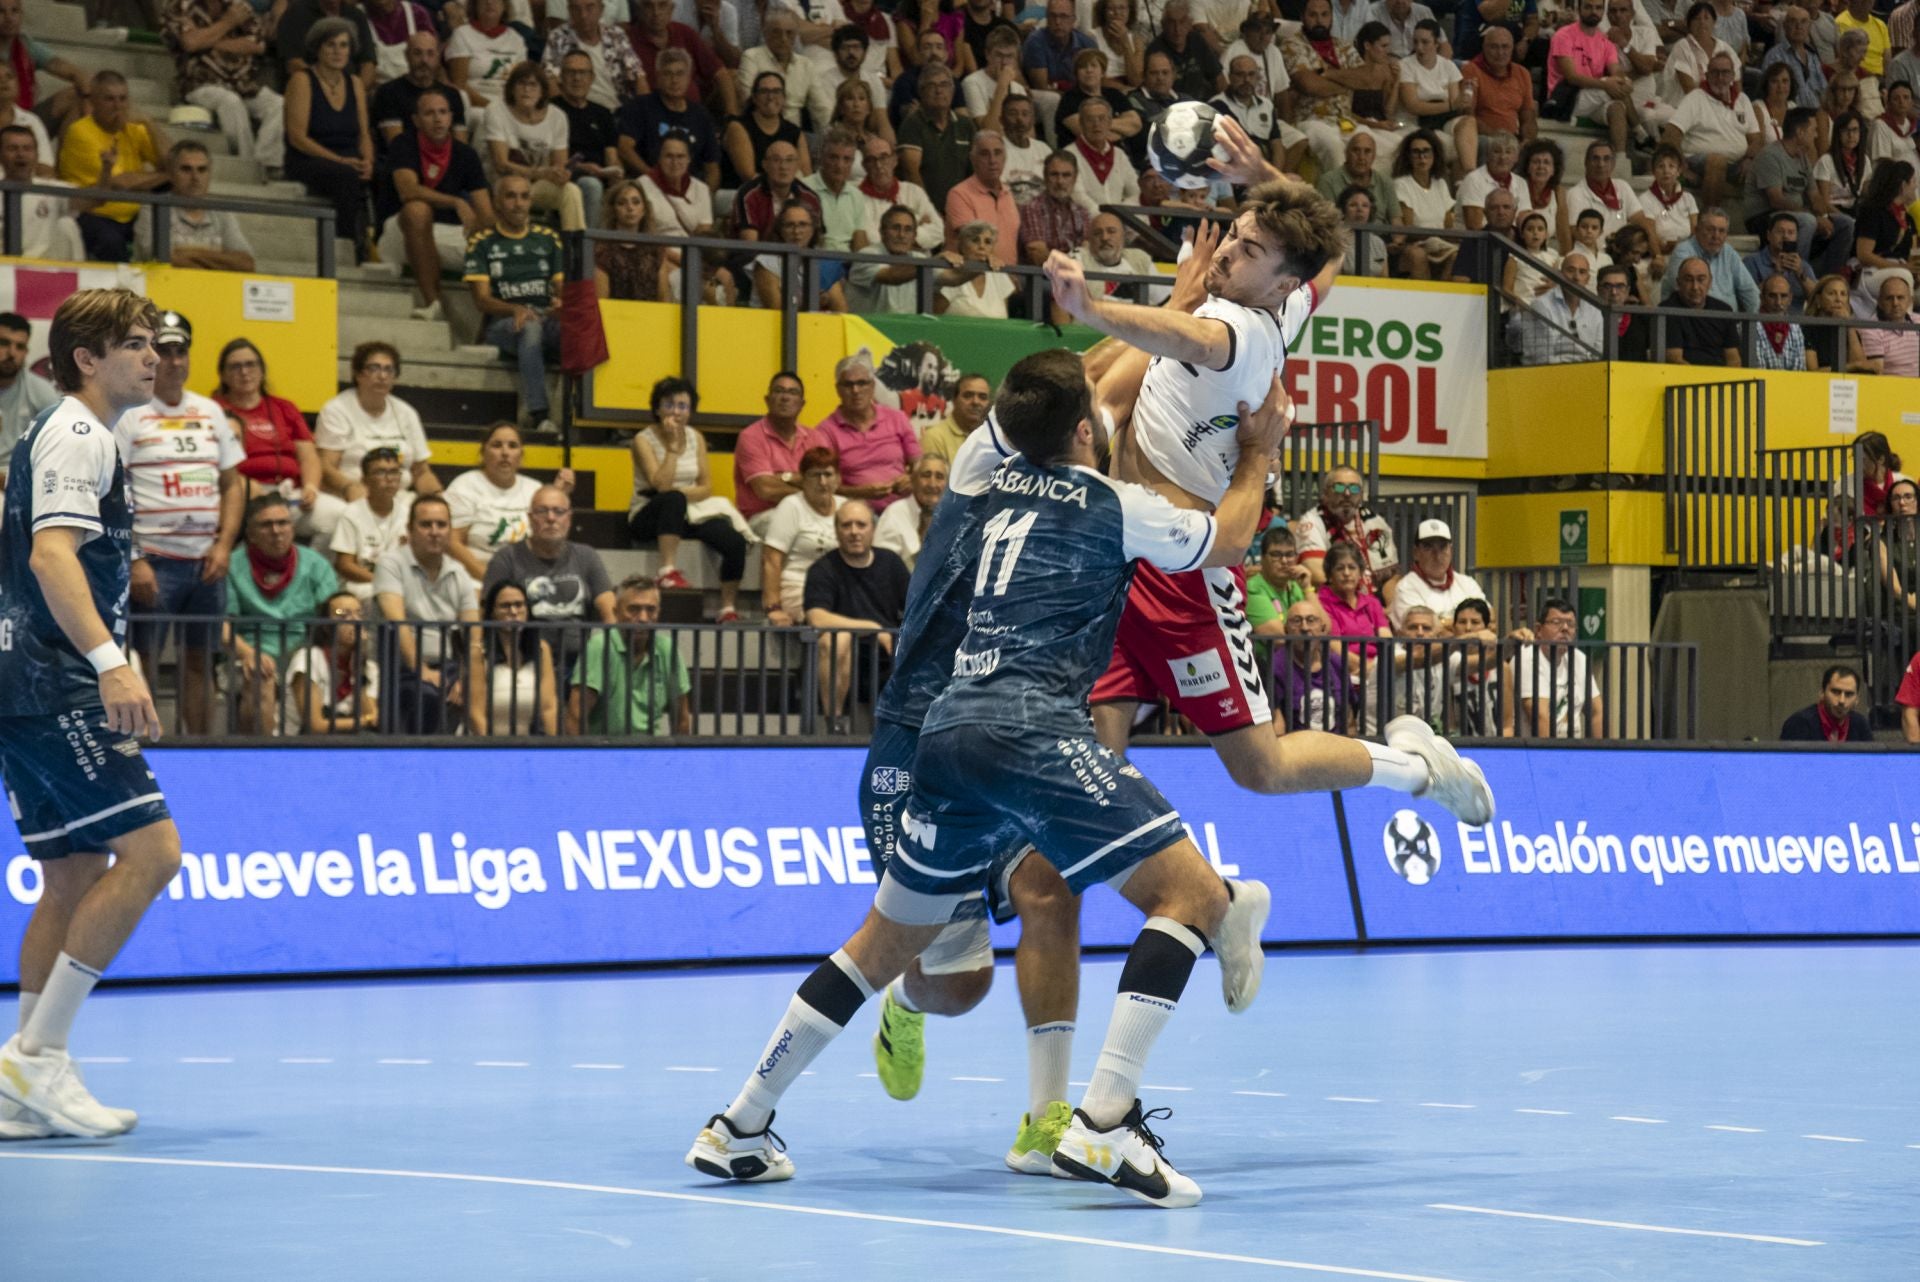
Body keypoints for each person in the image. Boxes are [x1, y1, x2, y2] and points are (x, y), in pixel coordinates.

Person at [685, 348, 1290, 1206]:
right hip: (1030, 726)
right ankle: (1107, 1124)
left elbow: (1062, 396)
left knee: (881, 947)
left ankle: (737, 1126)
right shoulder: (1116, 504)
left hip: (949, 731)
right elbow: (1230, 538)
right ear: (1086, 431)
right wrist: (1259, 452)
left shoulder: (984, 484)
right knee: (1194, 895)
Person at [1050, 131, 1492, 824]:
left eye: (1248, 250)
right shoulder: (1284, 298)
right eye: (1233, 235)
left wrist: (1093, 310)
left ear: (1278, 283)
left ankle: (1416, 771)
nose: (1225, 251)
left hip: (1186, 579)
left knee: (1262, 767)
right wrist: (1266, 177)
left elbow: (1185, 337)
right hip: (1117, 563)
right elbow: (1333, 253)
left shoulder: (1241, 329)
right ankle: (1201, 906)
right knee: (1092, 764)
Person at [0, 290, 178, 1143]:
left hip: (23, 682)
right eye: (136, 345)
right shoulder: (77, 433)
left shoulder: (62, 435)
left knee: (71, 874)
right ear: (86, 358)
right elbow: (49, 555)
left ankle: (19, 1083)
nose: (155, 357)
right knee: (153, 852)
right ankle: (40, 1055)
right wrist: (110, 662)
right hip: (57, 681)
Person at [112, 310, 245, 739]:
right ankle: (145, 748)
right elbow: (113, 490)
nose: (173, 360)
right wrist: (134, 559)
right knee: (142, 658)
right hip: (154, 560)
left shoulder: (211, 412)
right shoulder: (131, 413)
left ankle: (199, 749)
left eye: (180, 351)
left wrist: (224, 544)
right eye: (164, 351)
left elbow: (233, 483)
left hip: (207, 561)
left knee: (199, 662)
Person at [627, 376, 751, 618]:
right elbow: (660, 485)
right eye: (669, 405)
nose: (676, 412)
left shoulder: (696, 437)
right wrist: (672, 448)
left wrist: (681, 494)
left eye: (683, 406)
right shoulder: (643, 439)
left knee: (733, 541)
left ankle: (727, 607)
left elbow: (706, 487)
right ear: (657, 408)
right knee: (672, 498)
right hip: (648, 512)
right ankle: (666, 570)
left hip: (688, 511)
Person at [214, 338, 345, 547]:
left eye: (250, 364)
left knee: (338, 515)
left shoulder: (284, 408)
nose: (244, 372)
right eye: (235, 366)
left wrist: (311, 487)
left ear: (262, 370)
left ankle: (309, 573)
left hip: (289, 494)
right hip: (241, 495)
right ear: (223, 374)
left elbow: (308, 456)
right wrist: (244, 485)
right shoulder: (212, 410)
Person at [227, 492, 342, 731]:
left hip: (305, 652)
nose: (276, 531)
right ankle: (265, 759)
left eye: (283, 523)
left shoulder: (315, 564)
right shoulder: (231, 565)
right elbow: (221, 625)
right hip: (251, 651)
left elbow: (331, 618)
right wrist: (249, 653)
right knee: (261, 678)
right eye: (266, 524)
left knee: (306, 670)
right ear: (250, 533)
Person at [381, 88, 493, 323]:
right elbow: (408, 191)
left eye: (443, 112)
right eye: (430, 113)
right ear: (416, 120)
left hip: (447, 231)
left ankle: (487, 328)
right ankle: (434, 302)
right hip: (399, 230)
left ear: (451, 118)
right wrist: (456, 201)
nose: (438, 118)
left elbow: (485, 211)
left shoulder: (466, 154)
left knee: (493, 239)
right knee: (417, 210)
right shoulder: (404, 143)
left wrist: (483, 232)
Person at [465, 175, 565, 435]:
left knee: (582, 331)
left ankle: (580, 415)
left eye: (524, 196)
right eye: (510, 196)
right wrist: (514, 309)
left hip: (546, 318)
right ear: (497, 202)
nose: (518, 203)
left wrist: (562, 305)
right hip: (505, 324)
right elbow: (481, 300)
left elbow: (561, 288)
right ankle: (539, 415)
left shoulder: (548, 238)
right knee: (530, 327)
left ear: (531, 201)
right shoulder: (482, 242)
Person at [374, 493, 481, 733]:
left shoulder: (459, 572)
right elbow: (398, 623)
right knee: (429, 694)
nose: (435, 531)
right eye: (426, 524)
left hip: (449, 667)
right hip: (401, 669)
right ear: (410, 530)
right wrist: (421, 669)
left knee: (475, 693)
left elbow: (473, 636)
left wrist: (467, 679)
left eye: (441, 525)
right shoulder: (390, 564)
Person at [803, 499, 909, 731]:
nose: (854, 532)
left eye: (861, 525)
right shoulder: (823, 569)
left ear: (873, 529)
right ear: (836, 530)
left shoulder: (891, 563)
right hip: (841, 662)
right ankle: (835, 725)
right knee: (838, 638)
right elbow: (817, 618)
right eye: (846, 525)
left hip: (886, 659)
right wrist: (872, 627)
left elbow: (914, 607)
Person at [283, 19, 374, 263]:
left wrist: (368, 161)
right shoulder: (302, 80)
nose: (337, 51)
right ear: (318, 48)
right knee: (345, 176)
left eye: (343, 45)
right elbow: (297, 137)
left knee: (387, 175)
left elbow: (364, 133)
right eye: (331, 45)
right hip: (308, 158)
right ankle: (345, 246)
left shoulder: (355, 83)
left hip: (348, 157)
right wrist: (341, 160)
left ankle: (380, 247)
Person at [163, 0, 285, 175]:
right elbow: (189, 43)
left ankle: (265, 163)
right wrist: (228, 23)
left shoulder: (240, 7)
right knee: (230, 101)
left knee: (278, 104)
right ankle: (246, 166)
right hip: (200, 83)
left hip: (243, 84)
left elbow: (257, 44)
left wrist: (206, 40)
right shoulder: (180, 6)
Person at [56, 71, 166, 263]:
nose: (118, 106)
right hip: (91, 211)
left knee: (165, 232)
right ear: (94, 102)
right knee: (111, 242)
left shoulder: (135, 128)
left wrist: (150, 123)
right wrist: (164, 175)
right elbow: (118, 184)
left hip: (133, 216)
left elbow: (175, 163)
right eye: (110, 99)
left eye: (123, 99)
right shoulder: (80, 131)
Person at [568, 573, 692, 735]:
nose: (643, 618)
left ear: (659, 612)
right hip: (606, 753)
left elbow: (681, 720)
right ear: (616, 612)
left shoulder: (668, 650)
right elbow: (576, 716)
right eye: (634, 609)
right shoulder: (599, 647)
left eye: (650, 610)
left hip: (651, 753)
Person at [314, 341, 438, 502]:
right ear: (358, 374)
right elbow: (326, 467)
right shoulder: (336, 410)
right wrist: (350, 488)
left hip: (398, 496)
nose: (382, 376)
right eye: (374, 368)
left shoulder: (406, 412)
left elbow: (421, 472)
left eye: (389, 369)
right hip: (349, 496)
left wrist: (438, 497)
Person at [482, 484, 616, 631]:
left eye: (559, 511)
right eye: (542, 511)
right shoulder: (506, 558)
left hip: (580, 652)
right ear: (530, 518)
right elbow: (489, 614)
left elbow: (610, 611)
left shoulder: (587, 556)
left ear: (569, 518)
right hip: (526, 651)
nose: (551, 518)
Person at [445, 421, 571, 576]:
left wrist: (558, 496)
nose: (505, 452)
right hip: (476, 575)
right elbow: (452, 542)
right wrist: (489, 578)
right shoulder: (464, 486)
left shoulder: (534, 489)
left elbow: (550, 541)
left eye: (512, 446)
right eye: (497, 445)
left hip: (528, 575)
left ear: (521, 455)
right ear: (483, 453)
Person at [485, 60, 589, 232]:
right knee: (517, 190)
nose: (527, 90)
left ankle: (575, 249)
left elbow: (558, 165)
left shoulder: (558, 117)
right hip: (504, 182)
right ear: (511, 88)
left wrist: (560, 174)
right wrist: (539, 172)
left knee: (571, 191)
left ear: (542, 91)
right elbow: (501, 164)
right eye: (521, 84)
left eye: (533, 85)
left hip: (538, 185)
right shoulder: (496, 110)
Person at [815, 353, 920, 510]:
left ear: (872, 386)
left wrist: (911, 478)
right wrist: (860, 493)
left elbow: (918, 463)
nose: (855, 390)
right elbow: (822, 485)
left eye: (862, 383)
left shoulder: (896, 418)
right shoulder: (825, 431)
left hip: (904, 507)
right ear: (838, 390)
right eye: (848, 385)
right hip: (855, 510)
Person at [1662, 52, 1764, 213]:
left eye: (1725, 73)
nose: (1720, 77)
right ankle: (1710, 218)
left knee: (1772, 164)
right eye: (1715, 72)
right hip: (1698, 162)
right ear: (1707, 75)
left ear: (1732, 76)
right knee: (1717, 160)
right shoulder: (1696, 98)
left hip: (1737, 164)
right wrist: (1682, 166)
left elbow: (1757, 139)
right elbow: (1671, 133)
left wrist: (1750, 158)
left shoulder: (1742, 100)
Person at [134, 140, 256, 271]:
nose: (195, 177)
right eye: (186, 169)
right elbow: (160, 259)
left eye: (202, 169)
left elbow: (246, 263)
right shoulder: (154, 208)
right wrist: (218, 259)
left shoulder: (222, 212)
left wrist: (191, 254)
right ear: (170, 174)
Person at [761, 446, 844, 624]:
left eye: (828, 474)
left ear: (838, 478)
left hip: (840, 588)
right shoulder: (791, 506)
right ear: (803, 480)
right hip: (799, 587)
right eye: (815, 475)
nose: (822, 482)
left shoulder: (847, 508)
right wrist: (773, 608)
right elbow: (771, 559)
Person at [279, 589, 380, 735]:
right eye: (343, 615)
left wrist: (358, 673)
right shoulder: (307, 659)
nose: (355, 621)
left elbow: (371, 716)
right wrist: (363, 721)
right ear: (326, 626)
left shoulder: (369, 667)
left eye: (359, 613)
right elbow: (316, 726)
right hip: (301, 742)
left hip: (346, 738)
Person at [618, 46, 722, 186]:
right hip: (649, 186)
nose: (674, 80)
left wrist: (704, 197)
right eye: (668, 74)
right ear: (658, 77)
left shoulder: (701, 115)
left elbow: (712, 168)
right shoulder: (640, 107)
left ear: (689, 78)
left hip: (692, 189)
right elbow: (624, 148)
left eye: (680, 74)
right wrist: (653, 178)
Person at [467, 578, 559, 735]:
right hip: (487, 746)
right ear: (492, 613)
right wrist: (489, 750)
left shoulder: (542, 649)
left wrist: (551, 750)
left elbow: (549, 708)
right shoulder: (478, 653)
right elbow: (476, 714)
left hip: (526, 745)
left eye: (519, 605)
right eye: (505, 606)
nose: (514, 612)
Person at [1292, 465, 1399, 595]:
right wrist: (1359, 596)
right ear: (1325, 494)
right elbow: (1318, 575)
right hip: (1333, 601)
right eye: (1339, 487)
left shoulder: (1375, 522)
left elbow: (1390, 575)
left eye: (1354, 488)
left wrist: (1388, 609)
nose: (1347, 494)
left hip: (1372, 602)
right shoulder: (1312, 522)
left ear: (1360, 495)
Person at [733, 370, 816, 532]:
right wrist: (804, 484)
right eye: (779, 391)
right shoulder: (751, 436)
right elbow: (766, 490)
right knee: (795, 527)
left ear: (802, 404)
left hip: (810, 511)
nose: (785, 397)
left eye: (793, 392)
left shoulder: (815, 437)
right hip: (763, 517)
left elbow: (829, 482)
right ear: (767, 400)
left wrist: (781, 478)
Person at [331, 447, 415, 604]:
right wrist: (383, 581)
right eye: (381, 472)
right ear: (365, 480)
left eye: (394, 472)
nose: (389, 478)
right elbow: (344, 565)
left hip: (400, 586)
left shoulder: (409, 514)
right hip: (361, 587)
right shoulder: (352, 513)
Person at [554, 50, 625, 227]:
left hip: (601, 174)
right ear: (561, 76)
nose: (577, 78)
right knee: (591, 185)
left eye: (582, 72)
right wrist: (584, 168)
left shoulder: (603, 114)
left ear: (592, 78)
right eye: (571, 72)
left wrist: (616, 172)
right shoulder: (551, 110)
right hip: (567, 175)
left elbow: (612, 155)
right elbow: (552, 160)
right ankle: (588, 250)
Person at [1515, 597, 1604, 738]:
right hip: (1536, 751)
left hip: (1573, 750)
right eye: (1556, 623)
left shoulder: (1578, 659)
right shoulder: (1527, 657)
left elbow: (1597, 711)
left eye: (1571, 624)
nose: (1565, 629)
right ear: (1538, 629)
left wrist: (1601, 755)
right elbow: (1540, 716)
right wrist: (1552, 758)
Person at [541, 0, 649, 111]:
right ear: (569, 11)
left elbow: (638, 76)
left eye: (590, 7)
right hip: (576, 110)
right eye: (576, 9)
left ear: (601, 10)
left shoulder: (616, 35)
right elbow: (550, 80)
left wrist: (645, 113)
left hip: (617, 110)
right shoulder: (557, 37)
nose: (583, 15)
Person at [899, 64, 976, 207]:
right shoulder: (913, 124)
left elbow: (975, 171)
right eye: (931, 85)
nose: (939, 90)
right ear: (921, 92)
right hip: (925, 208)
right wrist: (929, 209)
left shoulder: (965, 125)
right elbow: (911, 172)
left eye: (944, 85)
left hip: (962, 206)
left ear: (953, 91)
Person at [0, 124, 78, 263]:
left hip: (42, 271)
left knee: (68, 225)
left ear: (37, 155)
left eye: (27, 148)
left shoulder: (51, 188)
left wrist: (106, 170)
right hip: (4, 271)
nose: (21, 154)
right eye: (13, 148)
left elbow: (95, 201)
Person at [1509, 248, 1603, 363]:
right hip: (1548, 373)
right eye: (1570, 270)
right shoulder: (1541, 305)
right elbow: (1540, 357)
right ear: (1559, 275)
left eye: (1582, 272)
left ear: (1587, 279)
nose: (1576, 277)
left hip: (1589, 373)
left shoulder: (1594, 309)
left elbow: (1599, 352)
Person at [753, 200, 851, 311]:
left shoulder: (821, 260)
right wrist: (811, 302)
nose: (796, 231)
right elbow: (777, 310)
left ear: (813, 229)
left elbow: (841, 309)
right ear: (780, 229)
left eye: (803, 224)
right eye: (789, 225)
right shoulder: (766, 261)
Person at [1274, 596, 1353, 733]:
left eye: (1311, 620)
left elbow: (1350, 721)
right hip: (1297, 749)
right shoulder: (1276, 667)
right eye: (1296, 621)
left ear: (1322, 628)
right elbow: (1277, 729)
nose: (1304, 627)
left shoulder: (1336, 663)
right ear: (1286, 629)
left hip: (1337, 747)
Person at [0, 310, 60, 486]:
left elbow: (58, 447)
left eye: (19, 347)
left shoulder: (40, 391)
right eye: (4, 343)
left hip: (20, 478)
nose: (12, 353)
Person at [1661, 206, 1762, 310]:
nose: (1716, 236)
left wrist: (1753, 323)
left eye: (1722, 231)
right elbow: (1692, 295)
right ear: (1696, 230)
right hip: (1692, 317)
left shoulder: (1728, 252)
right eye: (1710, 229)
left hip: (1727, 321)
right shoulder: (1683, 251)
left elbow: (1750, 291)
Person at [726, 70, 809, 187]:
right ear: (754, 98)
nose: (770, 97)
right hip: (746, 193)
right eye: (764, 91)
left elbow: (806, 175)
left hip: (787, 194)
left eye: (776, 91)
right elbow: (748, 175)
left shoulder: (794, 132)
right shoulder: (738, 127)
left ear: (784, 98)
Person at [444, 0, 524, 119]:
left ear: (504, 6)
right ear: (475, 5)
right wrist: (492, 107)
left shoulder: (516, 39)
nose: (489, 2)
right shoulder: (462, 34)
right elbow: (459, 84)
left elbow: (521, 82)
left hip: (509, 105)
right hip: (475, 106)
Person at [1462, 23, 1538, 149]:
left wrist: (1527, 141)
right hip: (1484, 138)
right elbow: (1468, 117)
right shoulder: (1471, 70)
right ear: (1484, 48)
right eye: (1494, 47)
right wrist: (1501, 139)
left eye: (1505, 47)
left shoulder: (1522, 73)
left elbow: (1528, 118)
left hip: (1512, 141)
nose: (1500, 52)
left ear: (1512, 48)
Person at [1245, 523, 1312, 664]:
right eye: (1276, 555)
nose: (1284, 561)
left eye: (1289, 554)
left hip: (1298, 664)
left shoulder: (1297, 586)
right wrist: (1312, 636)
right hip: (1267, 670)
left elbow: (1325, 628)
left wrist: (1307, 588)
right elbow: (1279, 639)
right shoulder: (1253, 588)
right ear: (1262, 558)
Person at [739, 7, 814, 129]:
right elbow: (747, 100)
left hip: (795, 133)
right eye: (776, 32)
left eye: (789, 33)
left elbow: (822, 109)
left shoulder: (806, 65)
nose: (783, 38)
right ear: (765, 33)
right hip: (760, 128)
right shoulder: (752, 57)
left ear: (796, 36)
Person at [1663, 255, 1744, 365]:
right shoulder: (1667, 310)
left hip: (1720, 378)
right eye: (1688, 280)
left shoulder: (1724, 310)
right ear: (1678, 283)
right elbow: (1674, 360)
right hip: (1684, 379)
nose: (1695, 287)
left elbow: (1734, 359)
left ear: (1710, 282)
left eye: (1701, 279)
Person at [873, 454, 948, 567]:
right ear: (912, 480)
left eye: (939, 477)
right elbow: (882, 566)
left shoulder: (954, 516)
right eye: (926, 475)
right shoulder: (894, 514)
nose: (932, 484)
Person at [1778, 663, 1872, 740]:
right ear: (1822, 693)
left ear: (1857, 699)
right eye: (1836, 692)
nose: (1842, 700)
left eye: (1849, 694)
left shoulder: (1860, 724)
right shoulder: (1799, 724)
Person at [1638, 143, 1700, 257]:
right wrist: (1658, 256)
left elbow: (1695, 231)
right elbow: (1649, 232)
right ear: (1654, 172)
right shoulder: (1645, 199)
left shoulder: (1688, 198)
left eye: (1671, 166)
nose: (1666, 171)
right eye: (1661, 166)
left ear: (1679, 171)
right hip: (1659, 254)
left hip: (1687, 253)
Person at [918, 371, 990, 463]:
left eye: (982, 397)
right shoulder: (934, 438)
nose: (976, 402)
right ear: (954, 400)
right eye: (968, 396)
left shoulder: (994, 438)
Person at [1858, 270, 1919, 375]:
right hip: (1889, 388)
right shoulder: (1871, 329)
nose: (1895, 303)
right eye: (1889, 298)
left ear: (1910, 300)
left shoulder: (1918, 321)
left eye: (1900, 298)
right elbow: (1877, 371)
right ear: (1880, 302)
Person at [1805, 271, 1868, 370]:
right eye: (1831, 294)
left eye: (1843, 294)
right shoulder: (1807, 328)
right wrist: (1852, 367)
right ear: (1818, 300)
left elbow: (1861, 369)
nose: (1838, 299)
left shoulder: (1851, 331)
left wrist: (1850, 326)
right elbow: (1813, 372)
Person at [1751, 272, 1813, 369]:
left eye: (1783, 296)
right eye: (1772, 296)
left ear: (1790, 298)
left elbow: (1799, 370)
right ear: (1762, 298)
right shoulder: (1751, 325)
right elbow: (1757, 370)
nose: (1778, 302)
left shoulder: (1795, 327)